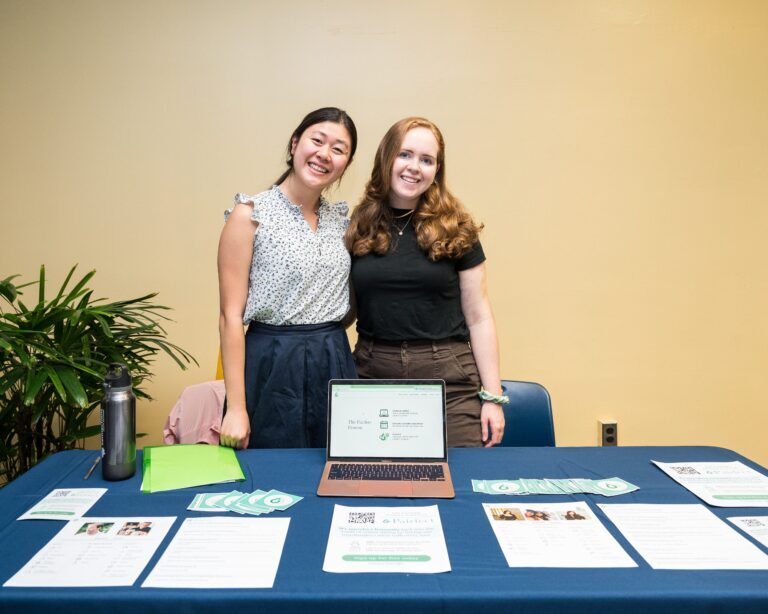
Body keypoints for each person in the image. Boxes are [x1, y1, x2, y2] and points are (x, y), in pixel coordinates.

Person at [346, 117, 506, 448]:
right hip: (372, 375)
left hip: (449, 381)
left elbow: (479, 317)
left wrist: (492, 396)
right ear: (387, 158)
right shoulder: (358, 225)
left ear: (436, 171)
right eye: (405, 154)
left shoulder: (456, 226)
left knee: (463, 486)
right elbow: (344, 310)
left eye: (427, 160)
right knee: (372, 486)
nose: (414, 167)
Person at [218, 107, 358, 449]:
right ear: (295, 144)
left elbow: (347, 302)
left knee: (340, 465)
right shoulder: (250, 215)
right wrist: (236, 408)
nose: (325, 154)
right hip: (271, 362)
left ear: (344, 164)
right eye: (317, 140)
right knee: (271, 475)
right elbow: (230, 317)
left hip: (333, 358)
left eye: (338, 149)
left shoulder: (342, 222)